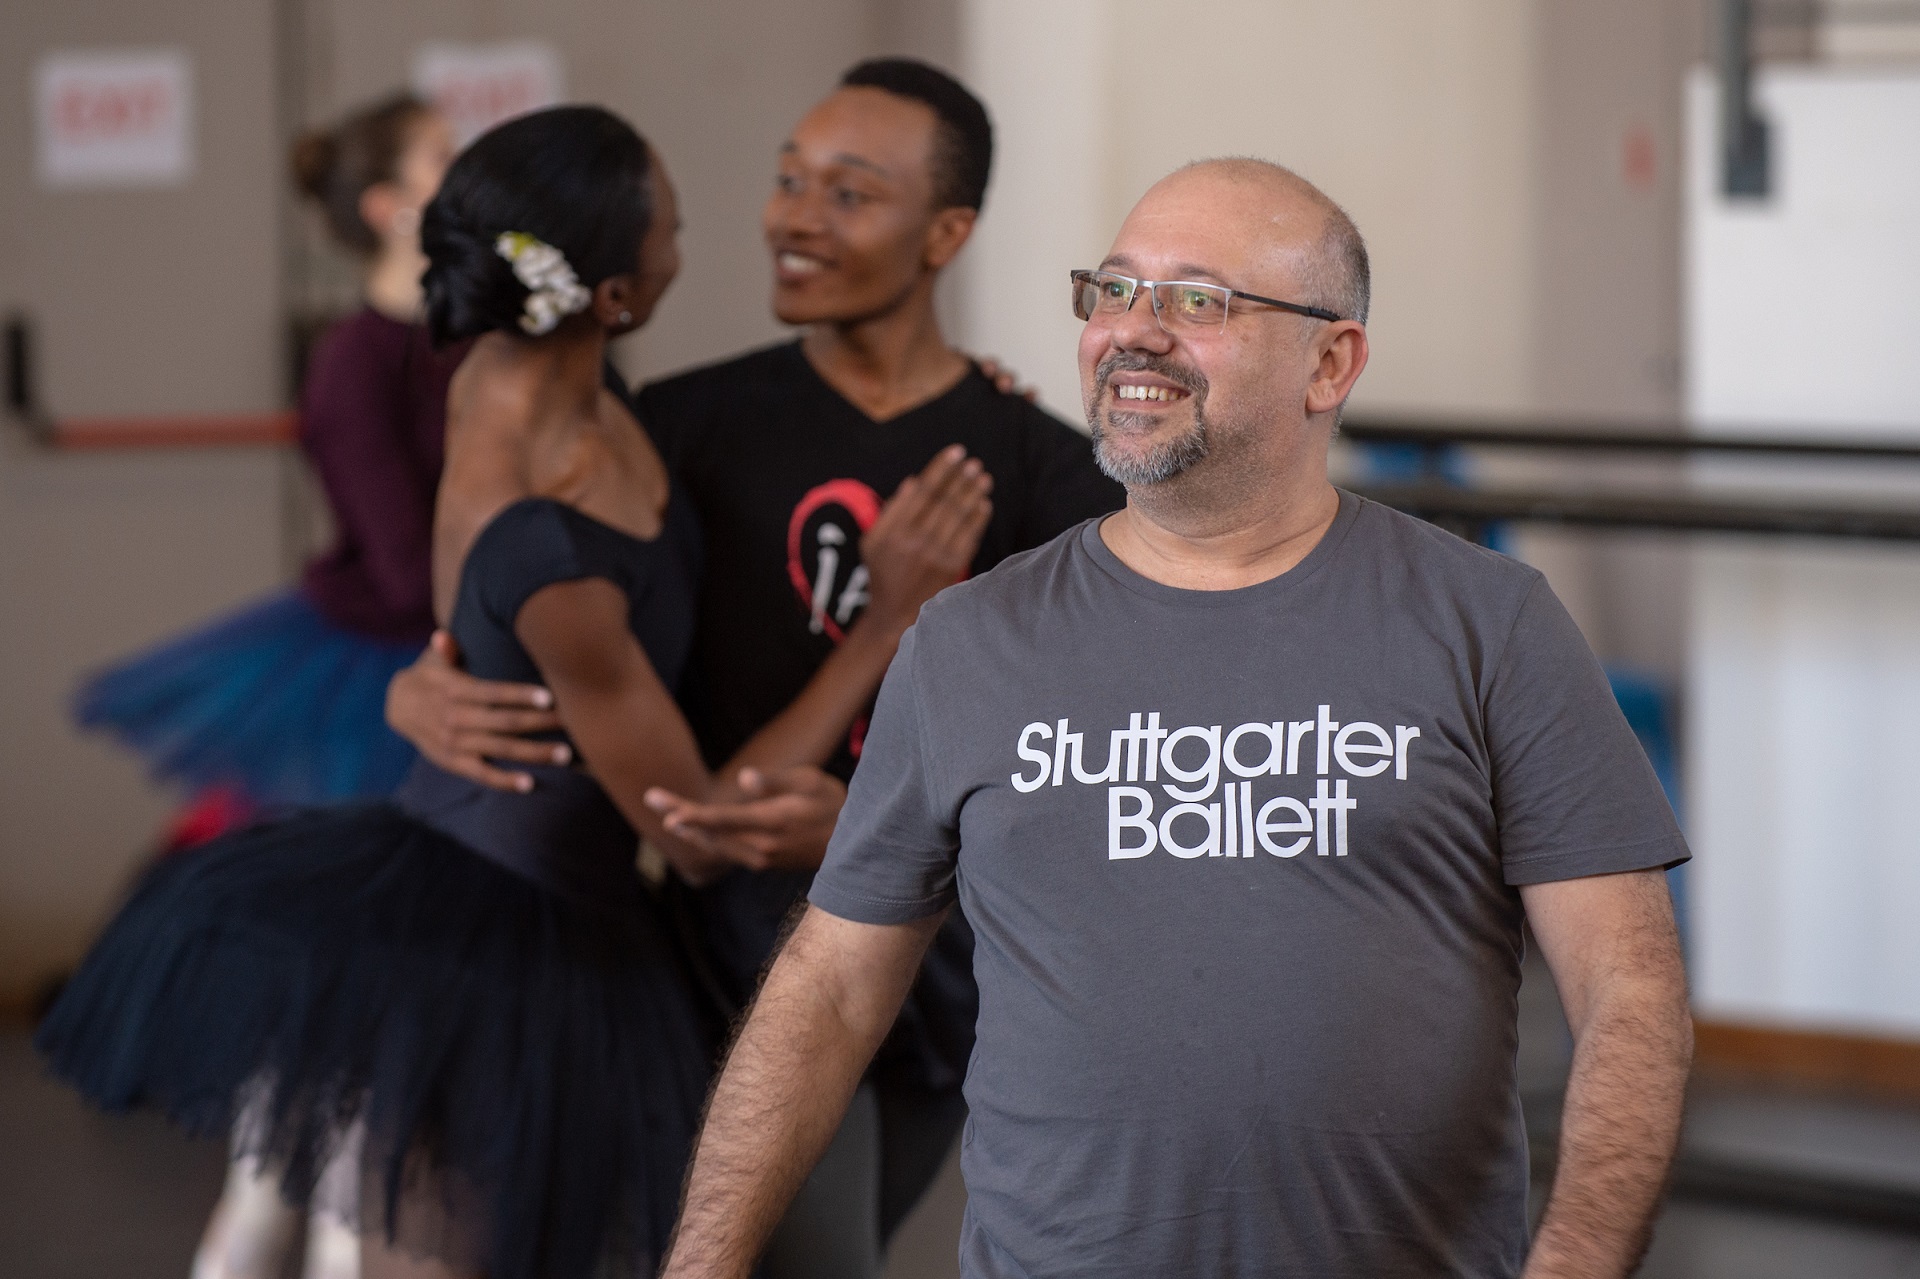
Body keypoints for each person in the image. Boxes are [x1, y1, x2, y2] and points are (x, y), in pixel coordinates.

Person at [658, 159, 1696, 1279]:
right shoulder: (967, 641)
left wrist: (1573, 1262)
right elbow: (829, 984)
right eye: (1114, 290)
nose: (1134, 332)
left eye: (1198, 300)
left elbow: (1629, 987)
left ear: (1330, 362)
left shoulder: (1489, 622)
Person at [37, 105, 990, 1279]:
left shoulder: (544, 376)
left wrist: (965, 397)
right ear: (614, 294)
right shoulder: (550, 543)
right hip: (496, 942)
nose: (696, 240)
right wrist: (885, 626)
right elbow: (692, 829)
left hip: (567, 903)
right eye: (672, 226)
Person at [385, 58, 1124, 1273]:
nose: (794, 217)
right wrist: (422, 687)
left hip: (948, 977)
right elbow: (534, 605)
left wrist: (891, 826)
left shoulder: (1040, 467)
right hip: (726, 962)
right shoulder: (674, 429)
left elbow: (1095, 761)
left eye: (849, 192)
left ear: (947, 233)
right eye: (789, 181)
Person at [74, 95, 461, 853]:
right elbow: (405, 567)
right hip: (395, 649)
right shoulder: (356, 363)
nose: (471, 174)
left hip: (461, 630)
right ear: (389, 207)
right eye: (445, 158)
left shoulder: (475, 339)